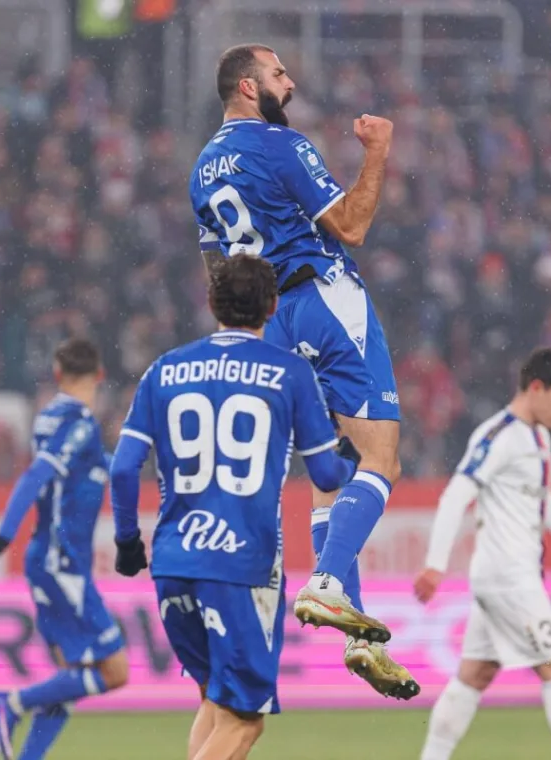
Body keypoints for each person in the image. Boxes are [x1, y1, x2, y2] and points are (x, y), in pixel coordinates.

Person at [189, 42, 418, 700]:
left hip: (267, 323)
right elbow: (351, 224)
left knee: (332, 470)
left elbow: (218, 274)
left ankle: (359, 636)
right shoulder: (279, 145)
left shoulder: (202, 171)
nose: (289, 84)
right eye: (278, 73)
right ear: (246, 86)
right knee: (381, 458)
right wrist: (377, 152)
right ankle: (326, 583)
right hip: (321, 296)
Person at [109, 254, 363, 760]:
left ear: (211, 303)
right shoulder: (289, 372)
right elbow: (326, 475)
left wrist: (126, 542)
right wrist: (350, 460)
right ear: (272, 307)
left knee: (215, 702)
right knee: (245, 722)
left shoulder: (165, 370)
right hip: (242, 565)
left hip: (174, 563)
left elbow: (122, 469)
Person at [413, 348, 551, 760]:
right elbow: (456, 495)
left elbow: (542, 501)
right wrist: (435, 565)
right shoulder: (499, 436)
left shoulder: (538, 436)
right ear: (536, 388)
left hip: (505, 577)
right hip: (508, 577)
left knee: (475, 674)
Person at [0, 338, 128, 760]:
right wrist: (4, 534)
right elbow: (38, 474)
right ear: (100, 375)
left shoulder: (48, 418)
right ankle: (11, 702)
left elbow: (98, 466)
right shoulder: (80, 422)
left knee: (70, 675)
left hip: (48, 558)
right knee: (115, 671)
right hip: (63, 562)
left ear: (57, 374)